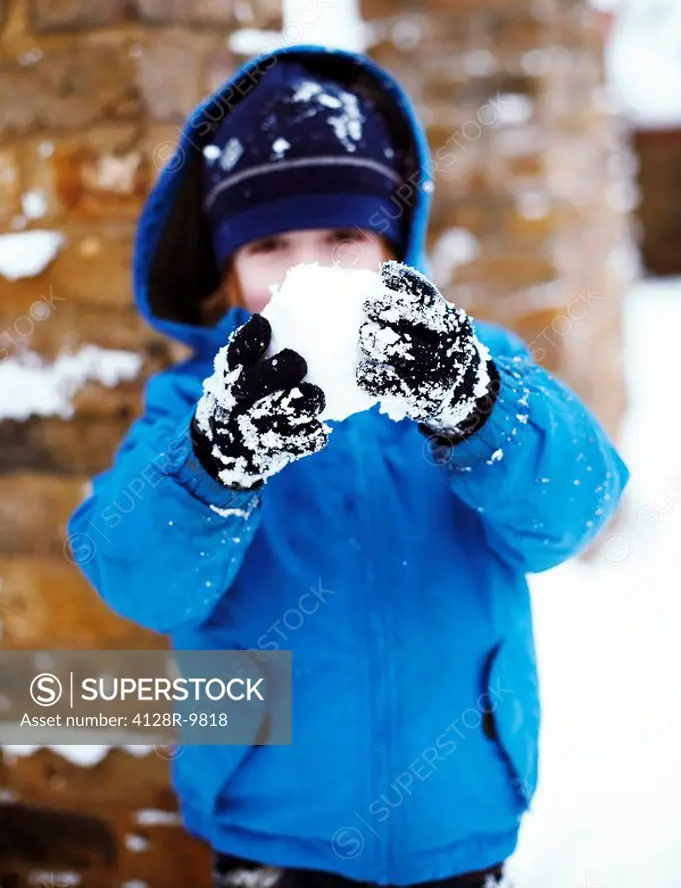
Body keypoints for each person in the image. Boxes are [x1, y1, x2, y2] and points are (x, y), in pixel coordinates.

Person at [68, 45, 629, 888]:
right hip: (272, 825)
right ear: (228, 272)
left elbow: (573, 512)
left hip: (459, 813)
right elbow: (137, 577)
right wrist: (216, 461)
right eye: (271, 246)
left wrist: (470, 405)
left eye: (342, 236)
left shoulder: (476, 366)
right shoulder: (191, 403)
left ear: (395, 249)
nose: (310, 273)